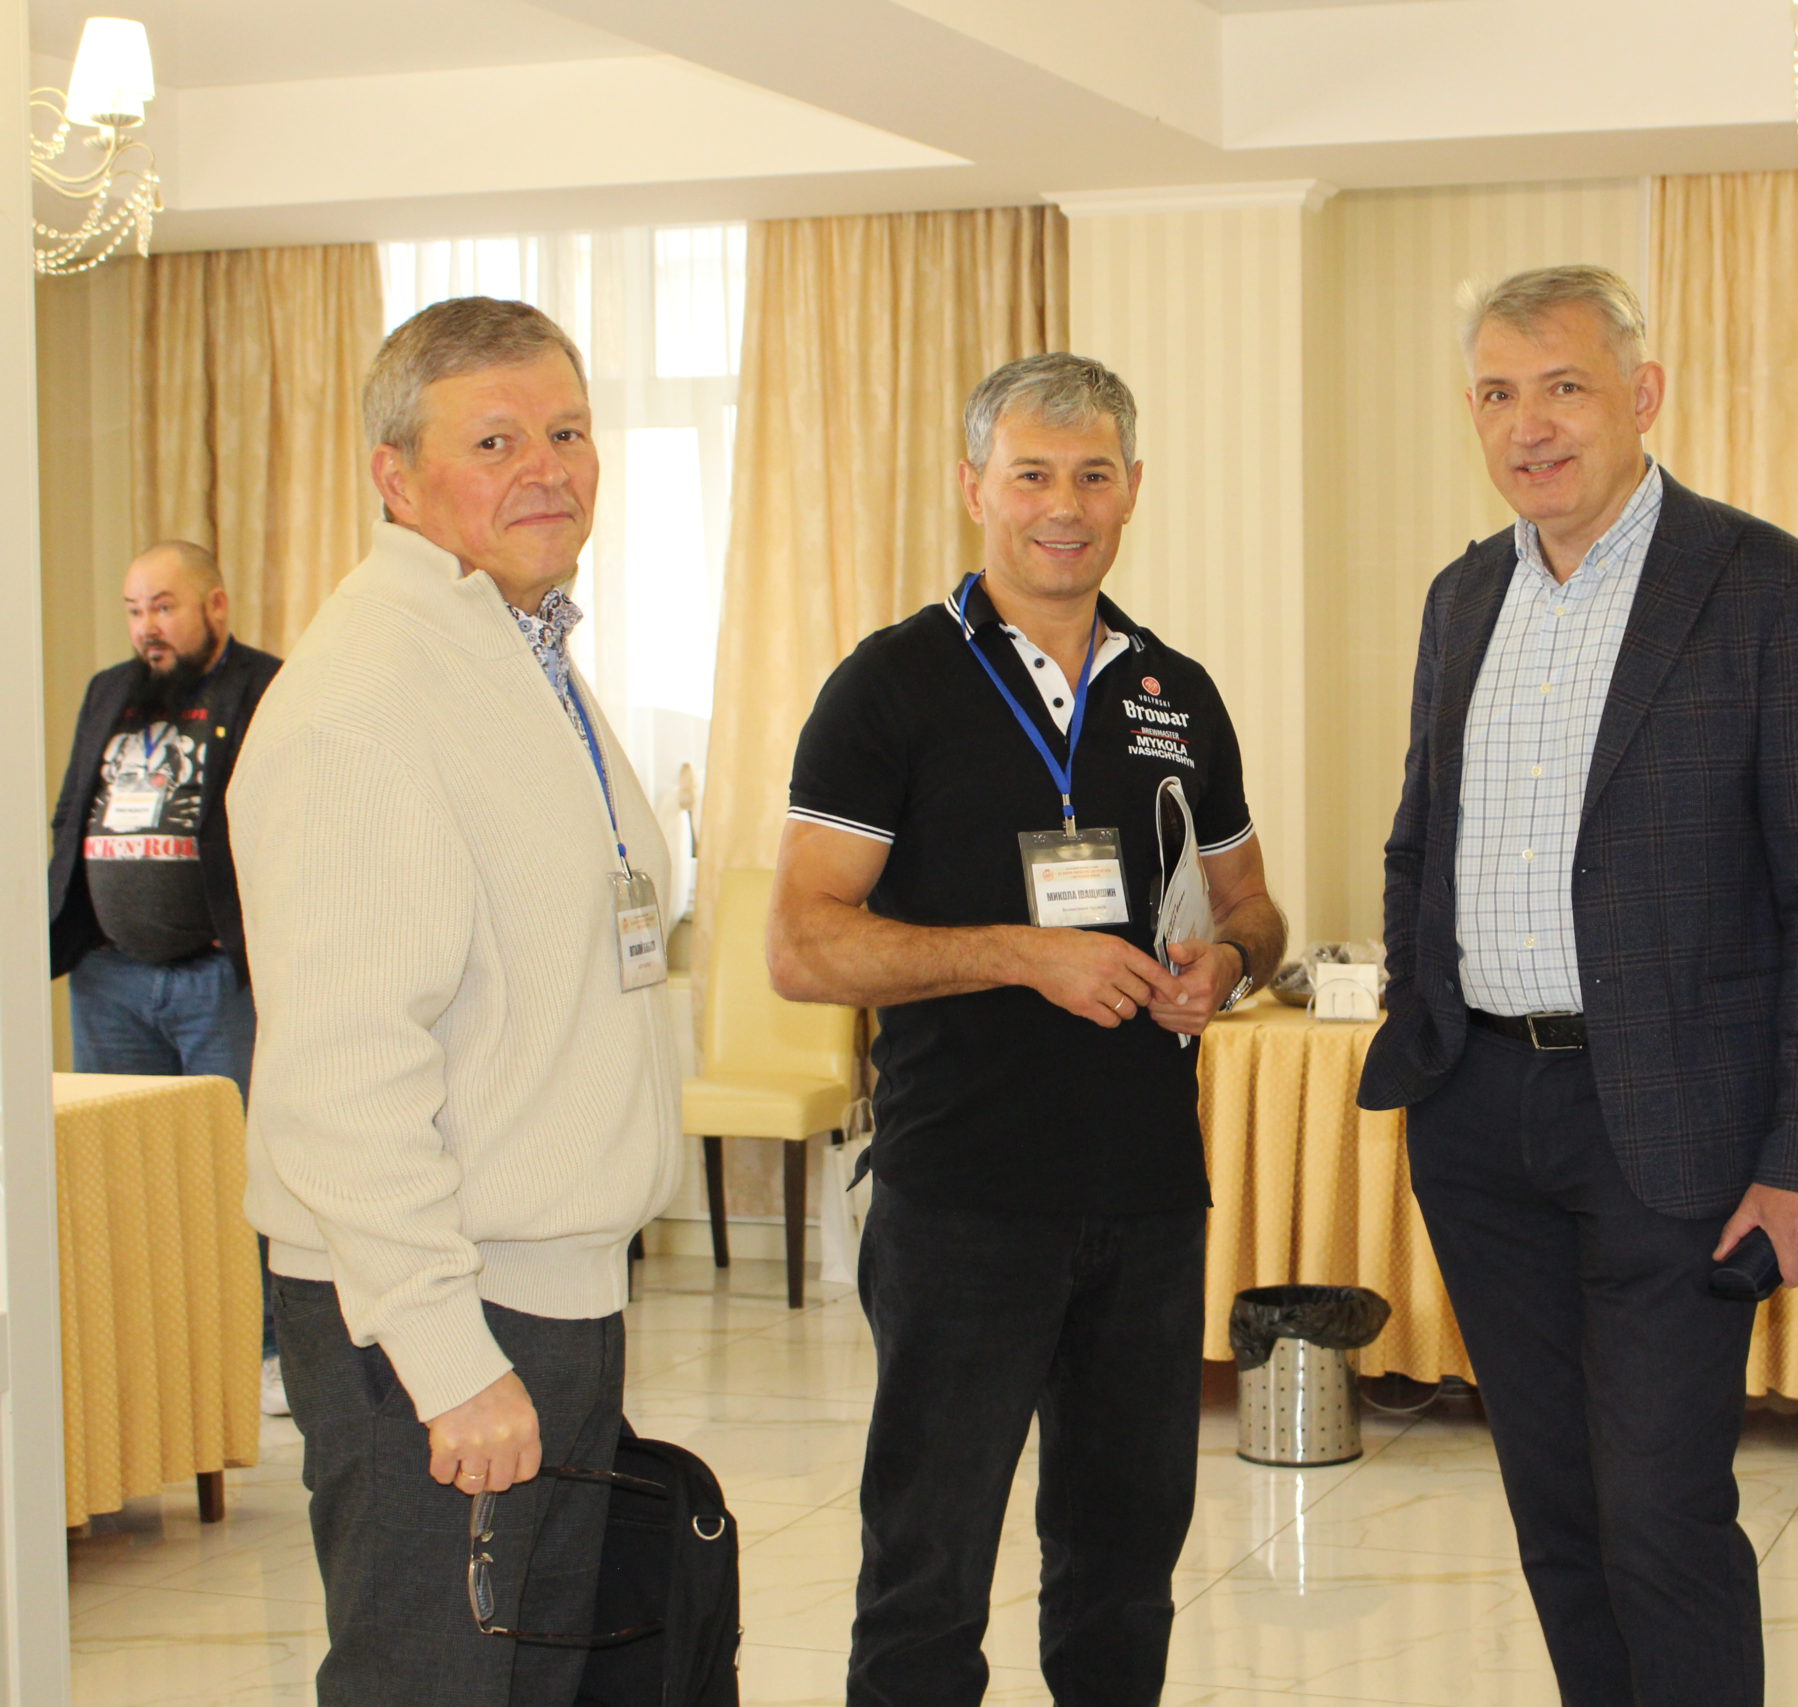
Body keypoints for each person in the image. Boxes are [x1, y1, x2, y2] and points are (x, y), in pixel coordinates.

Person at [1356, 265, 1798, 1707]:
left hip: (1675, 1124)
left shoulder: (1765, 585)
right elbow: (1418, 841)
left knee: (1659, 1510)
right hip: (1479, 1116)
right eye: (1497, 393)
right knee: (1557, 1508)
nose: (1529, 424)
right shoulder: (1464, 594)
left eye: (1564, 387)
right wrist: (1420, 1019)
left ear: (1642, 395)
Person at [767, 351, 1288, 1707]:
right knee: (927, 1571)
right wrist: (1021, 953)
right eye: (1033, 474)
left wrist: (1229, 960)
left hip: (1147, 1198)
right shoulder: (890, 684)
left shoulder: (1178, 692)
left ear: (1133, 491)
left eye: (1093, 475)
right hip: (963, 1199)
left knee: (1124, 1568)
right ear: (974, 487)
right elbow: (804, 945)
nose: (1065, 505)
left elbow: (1254, 904)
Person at [230, 297, 685, 1707]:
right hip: (437, 1315)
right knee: (431, 1682)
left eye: (568, 430)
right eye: (494, 441)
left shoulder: (517, 650)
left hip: (547, 1290)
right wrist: (445, 1356)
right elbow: (340, 1069)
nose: (547, 468)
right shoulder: (367, 696)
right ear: (396, 475)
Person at [49, 540, 290, 1408]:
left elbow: (283, 821)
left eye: (163, 606)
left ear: (215, 605)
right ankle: (149, 1360)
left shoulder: (265, 687)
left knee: (241, 1173)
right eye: (134, 609)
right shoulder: (108, 691)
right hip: (110, 978)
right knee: (124, 1175)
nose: (147, 626)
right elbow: (74, 809)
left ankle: (267, 1349)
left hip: (217, 981)